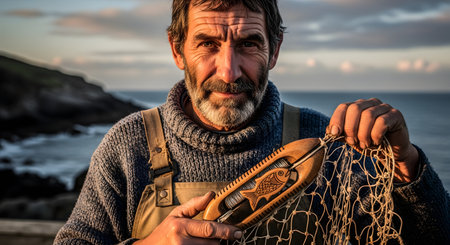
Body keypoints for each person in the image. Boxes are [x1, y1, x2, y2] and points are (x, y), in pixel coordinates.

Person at [54, 0, 449, 244]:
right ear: (178, 50)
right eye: (208, 44)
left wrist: (405, 163)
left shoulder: (329, 142)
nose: (228, 71)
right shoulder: (129, 146)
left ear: (274, 50)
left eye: (248, 44)